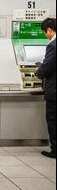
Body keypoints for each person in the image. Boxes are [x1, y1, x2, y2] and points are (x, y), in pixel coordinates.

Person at [37, 18, 56, 159]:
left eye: (45, 32)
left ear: (49, 30)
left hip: (54, 91)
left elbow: (47, 65)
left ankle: (55, 150)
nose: (45, 35)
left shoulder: (53, 46)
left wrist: (38, 73)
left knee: (53, 119)